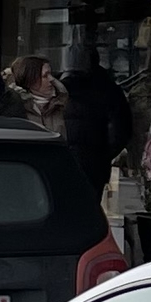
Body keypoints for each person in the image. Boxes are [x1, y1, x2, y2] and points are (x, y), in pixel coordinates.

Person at [55, 45, 134, 206]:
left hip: (60, 161)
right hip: (93, 164)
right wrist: (102, 156)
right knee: (88, 212)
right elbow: (120, 133)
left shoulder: (55, 88)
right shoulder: (109, 90)